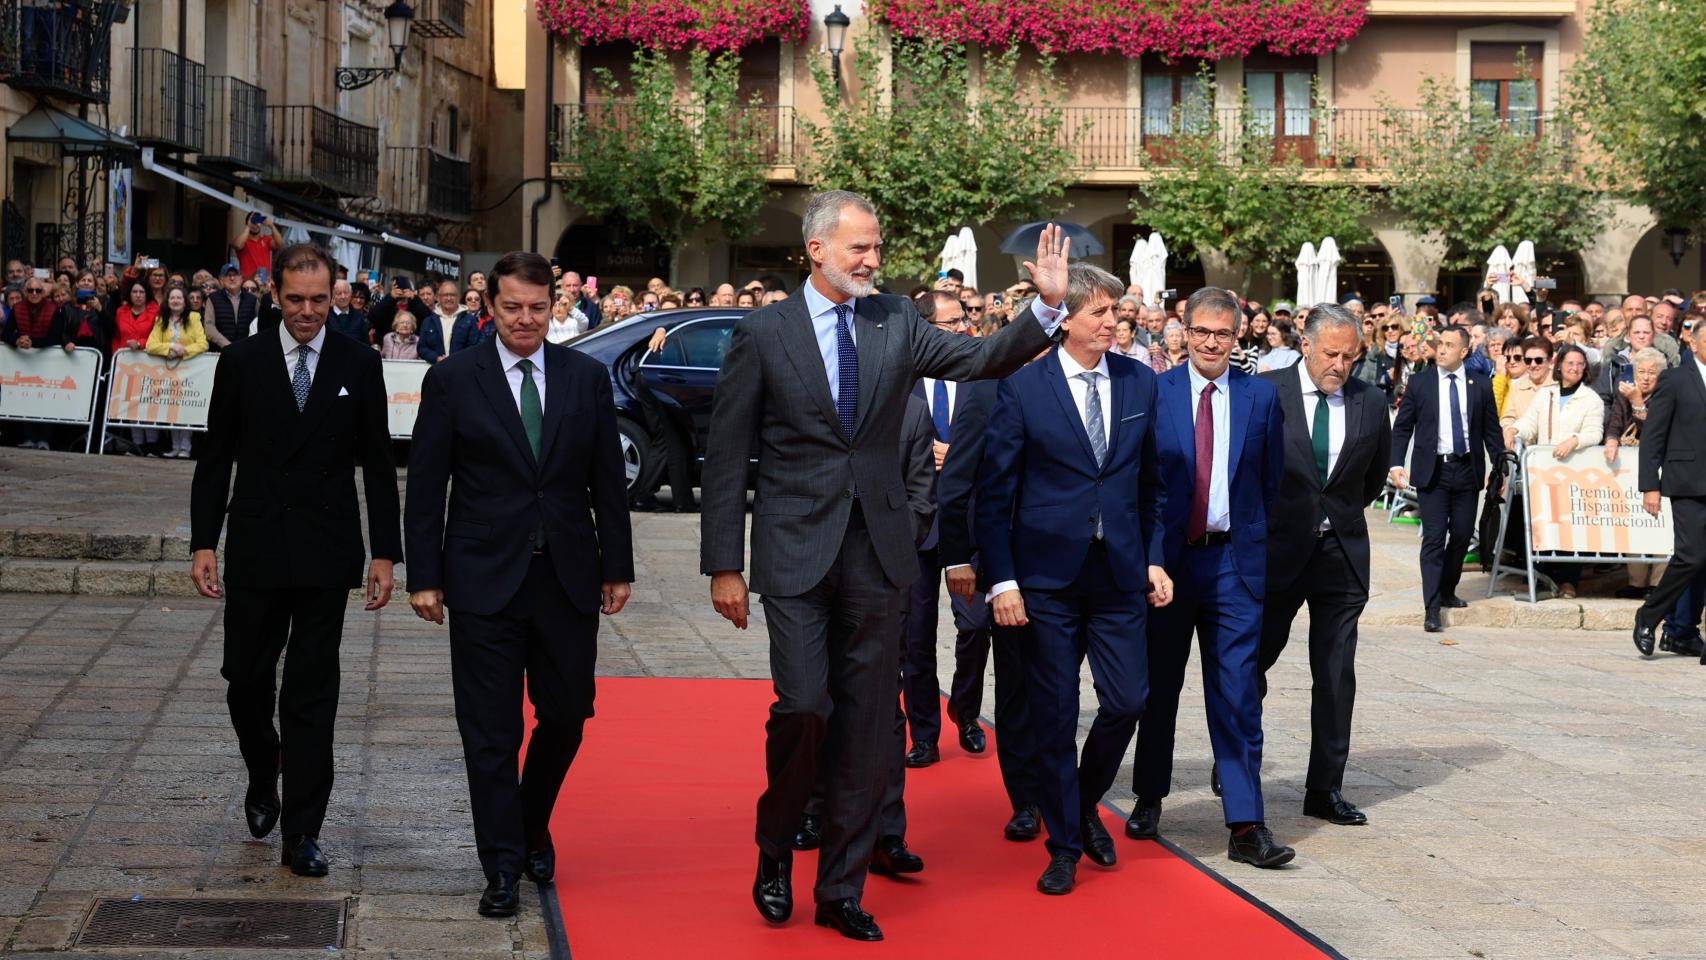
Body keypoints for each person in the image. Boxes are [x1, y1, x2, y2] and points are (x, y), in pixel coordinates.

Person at [700, 191, 1066, 942]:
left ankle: (840, 888)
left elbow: (980, 358)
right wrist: (722, 565)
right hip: (794, 552)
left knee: (869, 731)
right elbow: (729, 451)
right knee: (805, 709)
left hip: (880, 552)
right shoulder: (764, 332)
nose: (873, 260)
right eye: (859, 248)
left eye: (876, 247)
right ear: (816, 249)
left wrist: (1046, 311)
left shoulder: (896, 319)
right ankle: (776, 850)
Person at [404, 251, 634, 918]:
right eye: (513, 308)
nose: (526, 319)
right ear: (491, 309)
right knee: (490, 731)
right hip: (481, 579)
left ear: (551, 308)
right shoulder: (453, 381)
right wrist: (425, 575)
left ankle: (531, 820)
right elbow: (426, 486)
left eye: (538, 308)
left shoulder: (584, 378)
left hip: (565, 576)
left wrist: (616, 564)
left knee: (567, 715)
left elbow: (606, 484)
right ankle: (502, 865)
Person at [189, 243, 401, 879]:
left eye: (319, 299)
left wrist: (385, 552)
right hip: (255, 545)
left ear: (335, 295)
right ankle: (264, 768)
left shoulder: (358, 362)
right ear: (275, 295)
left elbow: (380, 466)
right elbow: (215, 457)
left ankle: (303, 832)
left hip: (325, 551)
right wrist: (204, 540)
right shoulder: (244, 362)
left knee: (313, 693)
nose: (308, 312)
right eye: (295, 299)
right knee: (245, 679)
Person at [976, 263, 1171, 895]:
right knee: (1055, 716)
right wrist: (1001, 582)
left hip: (1118, 576)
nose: (1115, 322)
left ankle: (1083, 803)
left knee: (1127, 702)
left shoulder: (1141, 383)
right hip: (1045, 580)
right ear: (1067, 320)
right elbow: (994, 494)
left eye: (1118, 313)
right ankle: (1063, 844)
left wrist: (1154, 556)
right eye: (1102, 313)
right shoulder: (1023, 388)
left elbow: (1152, 487)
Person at [1129, 286, 1292, 869]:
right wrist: (1149, 559)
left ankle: (1246, 823)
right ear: (1183, 331)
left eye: (1223, 333)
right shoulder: (1156, 391)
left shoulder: (1262, 399)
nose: (1211, 342)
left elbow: (1270, 485)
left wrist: (1251, 548)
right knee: (1158, 688)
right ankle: (1149, 796)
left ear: (1238, 336)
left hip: (1232, 565)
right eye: (1201, 331)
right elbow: (1144, 486)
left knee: (1238, 695)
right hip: (1169, 564)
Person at [1257, 303, 1393, 827]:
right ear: (1305, 346)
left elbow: (1372, 477)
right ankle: (1239, 759)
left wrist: (1333, 518)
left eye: (1349, 356)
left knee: (1336, 675)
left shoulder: (1370, 400)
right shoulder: (1267, 391)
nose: (1338, 365)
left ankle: (1325, 787)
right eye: (1330, 353)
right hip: (1277, 550)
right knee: (1250, 663)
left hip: (1340, 552)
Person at [898, 290, 993, 770]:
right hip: (912, 527)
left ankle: (967, 712)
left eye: (966, 321)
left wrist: (960, 456)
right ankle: (924, 733)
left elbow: (1002, 444)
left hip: (969, 525)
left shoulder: (983, 377)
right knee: (914, 637)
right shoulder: (900, 380)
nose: (962, 329)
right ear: (926, 329)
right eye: (951, 323)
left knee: (976, 626)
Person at [1389, 325, 1504, 632]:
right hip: (1433, 471)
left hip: (1467, 469)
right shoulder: (1420, 383)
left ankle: (1447, 589)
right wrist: (1396, 463)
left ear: (1464, 351)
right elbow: (1402, 428)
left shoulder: (1480, 385)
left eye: (1449, 345)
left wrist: (1501, 467)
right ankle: (1432, 607)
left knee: (1464, 535)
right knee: (1434, 538)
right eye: (1440, 344)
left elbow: (1492, 431)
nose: (1441, 350)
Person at [1508, 343, 1603, 598]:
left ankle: (1569, 581)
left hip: (1575, 473)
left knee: (1572, 530)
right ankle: (1539, 576)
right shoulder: (1546, 395)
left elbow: (1595, 432)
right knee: (1542, 525)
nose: (1575, 368)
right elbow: (1530, 422)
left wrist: (1574, 441)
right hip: (1544, 473)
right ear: (1559, 365)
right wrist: (1515, 429)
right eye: (1570, 363)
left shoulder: (1591, 399)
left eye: (1580, 364)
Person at [1632, 340, 1706, 662]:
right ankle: (1648, 616)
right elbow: (1654, 434)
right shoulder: (1675, 379)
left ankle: (1683, 632)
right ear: (1694, 341)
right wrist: (1651, 485)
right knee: (1691, 557)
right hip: (1687, 481)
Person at [145, 287, 210, 458]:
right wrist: (170, 347)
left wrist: (184, 350)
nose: (175, 300)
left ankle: (185, 447)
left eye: (179, 297)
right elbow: (151, 345)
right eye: (172, 297)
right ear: (167, 301)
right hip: (168, 371)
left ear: (184, 300)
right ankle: (175, 446)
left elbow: (202, 343)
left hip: (189, 369)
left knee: (186, 406)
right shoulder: (161, 320)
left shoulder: (194, 317)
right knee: (172, 406)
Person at [1501, 337, 1554, 429]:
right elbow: (1508, 418)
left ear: (1549, 361)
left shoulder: (1561, 384)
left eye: (1538, 360)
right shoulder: (1517, 387)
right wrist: (1509, 430)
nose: (1533, 365)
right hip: (1524, 440)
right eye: (1528, 360)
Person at [418, 281, 477, 363]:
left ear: (458, 297)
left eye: (452, 295)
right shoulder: (428, 321)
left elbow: (474, 346)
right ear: (438, 298)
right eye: (445, 295)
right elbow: (422, 347)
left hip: (462, 368)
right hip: (436, 369)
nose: (449, 298)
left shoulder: (469, 320)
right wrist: (436, 358)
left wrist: (456, 360)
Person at [206, 262, 258, 349]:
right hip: (221, 352)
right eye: (228, 275)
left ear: (241, 278)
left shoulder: (252, 299)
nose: (232, 278)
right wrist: (228, 346)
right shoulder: (213, 299)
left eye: (235, 275)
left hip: (247, 351)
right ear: (221, 280)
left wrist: (249, 344)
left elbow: (259, 324)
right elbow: (209, 328)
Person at [232, 212, 284, 279]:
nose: (255, 225)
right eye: (253, 222)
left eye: (258, 222)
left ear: (261, 224)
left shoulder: (266, 239)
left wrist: (272, 226)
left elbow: (280, 244)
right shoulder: (241, 240)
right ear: (247, 223)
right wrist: (248, 226)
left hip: (264, 282)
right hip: (248, 283)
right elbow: (238, 245)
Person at [325, 279, 368, 344]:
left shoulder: (359, 317)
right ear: (333, 296)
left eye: (346, 292)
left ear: (351, 294)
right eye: (339, 293)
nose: (343, 296)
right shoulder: (326, 316)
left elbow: (365, 343)